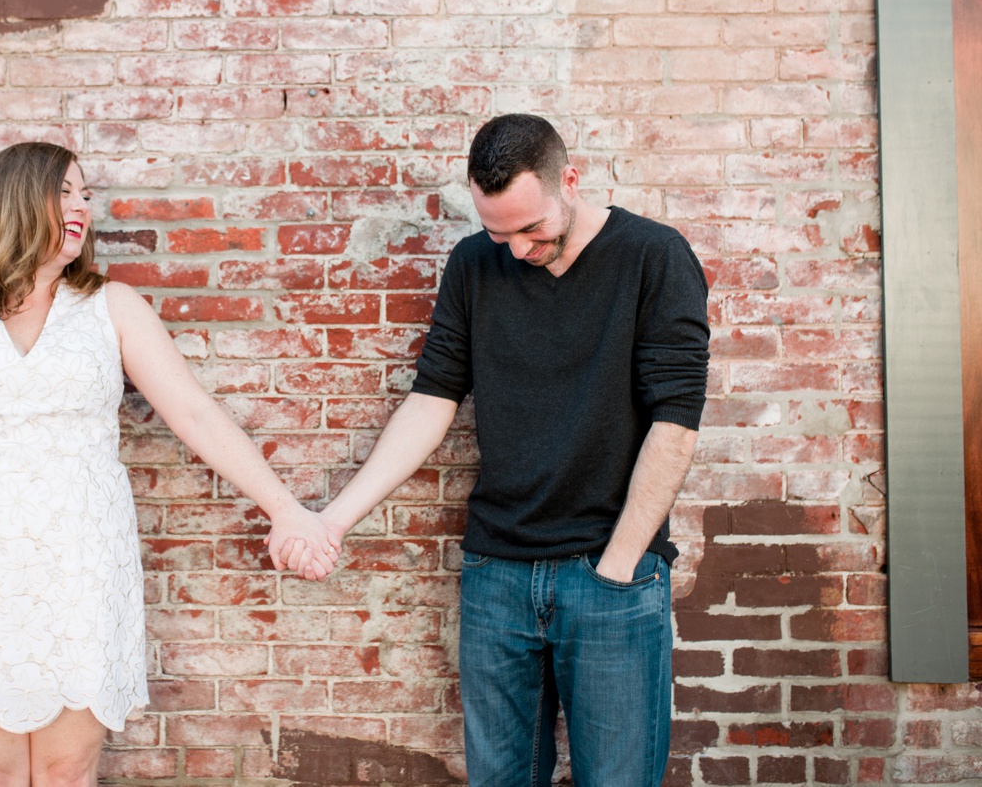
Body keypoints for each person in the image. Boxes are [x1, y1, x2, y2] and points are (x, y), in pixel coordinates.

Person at [0, 142, 338, 787]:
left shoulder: (111, 308)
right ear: (13, 201)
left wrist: (285, 508)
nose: (81, 207)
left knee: (67, 773)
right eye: (64, 191)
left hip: (82, 566)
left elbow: (196, 415)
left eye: (85, 194)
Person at [289, 114, 710, 786]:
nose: (513, 249)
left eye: (530, 229)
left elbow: (676, 419)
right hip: (498, 576)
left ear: (568, 181)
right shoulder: (472, 265)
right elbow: (432, 399)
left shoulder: (653, 256)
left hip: (610, 571)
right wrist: (336, 519)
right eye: (496, 231)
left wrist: (619, 566)